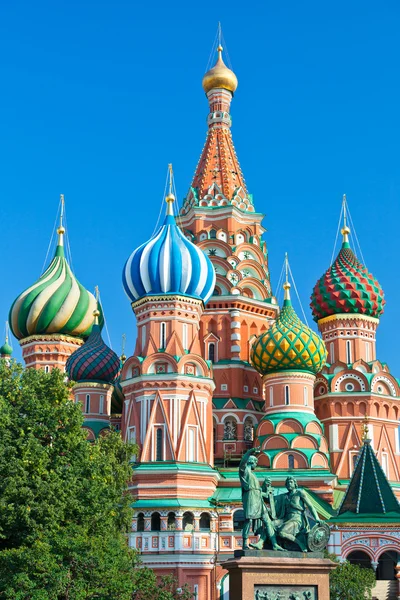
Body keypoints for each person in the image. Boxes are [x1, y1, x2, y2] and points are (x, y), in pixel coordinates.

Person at [239, 447, 282, 551]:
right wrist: (250, 451)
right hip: (250, 499)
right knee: (248, 520)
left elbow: (257, 491)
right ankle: (245, 543)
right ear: (251, 462)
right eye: (255, 462)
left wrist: (265, 489)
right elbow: (242, 462)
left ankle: (274, 544)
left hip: (259, 500)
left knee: (267, 521)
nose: (256, 464)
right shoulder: (245, 472)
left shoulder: (253, 475)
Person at [274, 476, 321, 552]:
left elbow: (310, 506)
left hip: (296, 519)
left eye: (291, 482)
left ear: (295, 484)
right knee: (270, 524)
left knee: (281, 532)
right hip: (285, 518)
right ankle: (270, 544)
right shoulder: (284, 496)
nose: (289, 484)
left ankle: (300, 544)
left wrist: (317, 518)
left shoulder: (299, 493)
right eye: (287, 483)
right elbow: (271, 499)